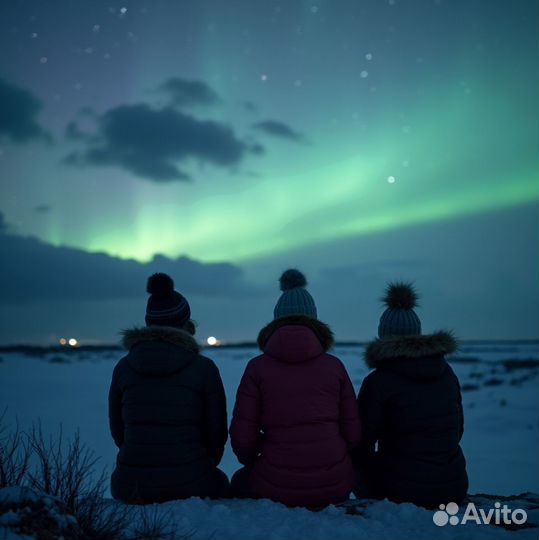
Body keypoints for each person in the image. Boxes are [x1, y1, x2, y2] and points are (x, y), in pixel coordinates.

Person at [229, 269, 361, 507]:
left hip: (273, 484)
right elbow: (353, 433)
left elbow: (242, 438)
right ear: (315, 321)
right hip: (334, 484)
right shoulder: (334, 367)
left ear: (275, 321)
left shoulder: (257, 368)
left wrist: (255, 459)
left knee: (239, 482)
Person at [108, 272, 229, 503]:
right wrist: (203, 465)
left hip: (131, 485)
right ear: (186, 324)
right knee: (224, 484)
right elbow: (216, 433)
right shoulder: (204, 368)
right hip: (192, 483)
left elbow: (118, 431)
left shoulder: (124, 367)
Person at [353, 282, 468, 508]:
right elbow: (457, 430)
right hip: (453, 486)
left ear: (383, 336)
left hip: (400, 490)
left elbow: (361, 442)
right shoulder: (446, 373)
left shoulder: (379, 381)